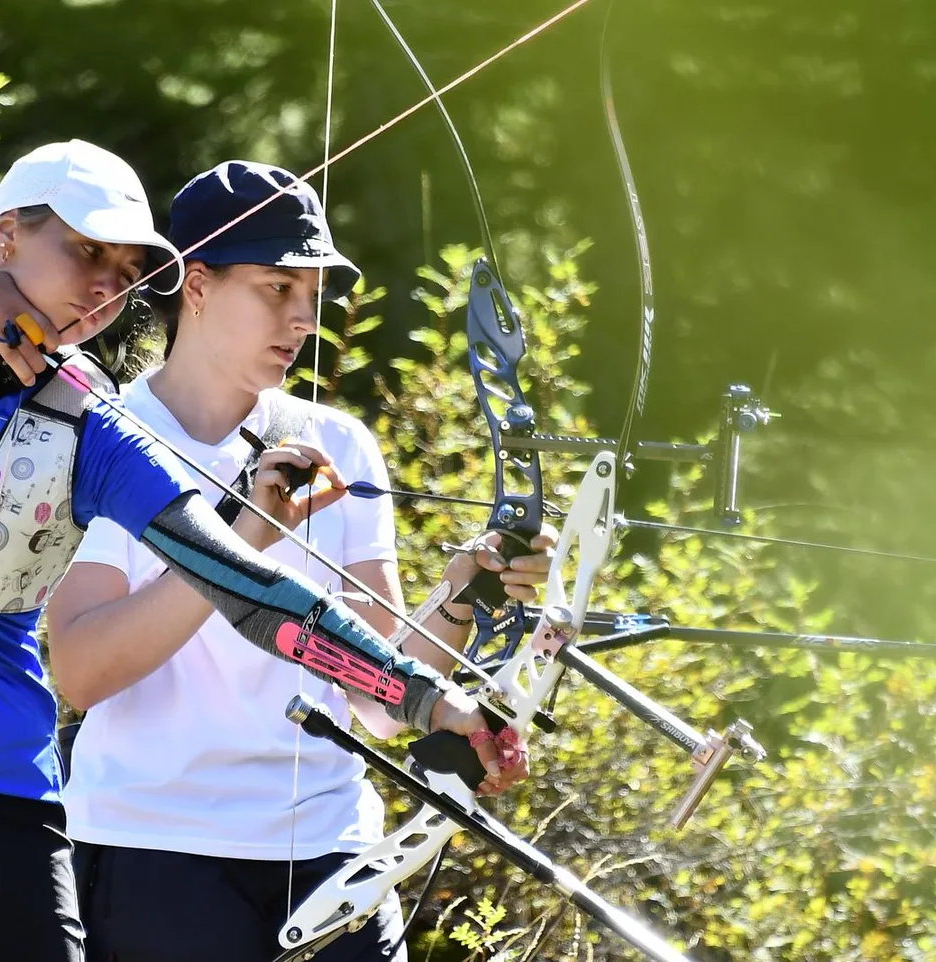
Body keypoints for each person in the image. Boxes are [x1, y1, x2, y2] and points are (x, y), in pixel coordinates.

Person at [0, 106, 512, 962]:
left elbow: (245, 584)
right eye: (86, 252)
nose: (105, 289)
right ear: (7, 234)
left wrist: (424, 696)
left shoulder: (96, 430)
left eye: (126, 272)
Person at [45, 161, 557, 962]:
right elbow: (80, 670)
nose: (302, 319)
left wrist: (466, 587)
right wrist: (241, 538)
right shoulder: (110, 438)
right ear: (198, 283)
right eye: (277, 288)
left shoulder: (340, 446)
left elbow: (381, 704)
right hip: (153, 856)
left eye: (312, 296)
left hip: (332, 857)